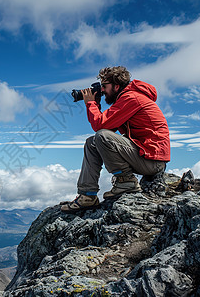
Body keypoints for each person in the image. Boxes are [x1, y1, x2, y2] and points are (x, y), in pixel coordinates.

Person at [61, 66, 170, 213]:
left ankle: (126, 182)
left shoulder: (132, 98)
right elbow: (107, 127)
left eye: (105, 86)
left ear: (116, 86)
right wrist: (96, 103)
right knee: (91, 143)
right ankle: (88, 196)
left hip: (152, 162)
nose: (103, 90)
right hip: (145, 156)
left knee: (101, 137)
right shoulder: (127, 98)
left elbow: (101, 128)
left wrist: (90, 103)